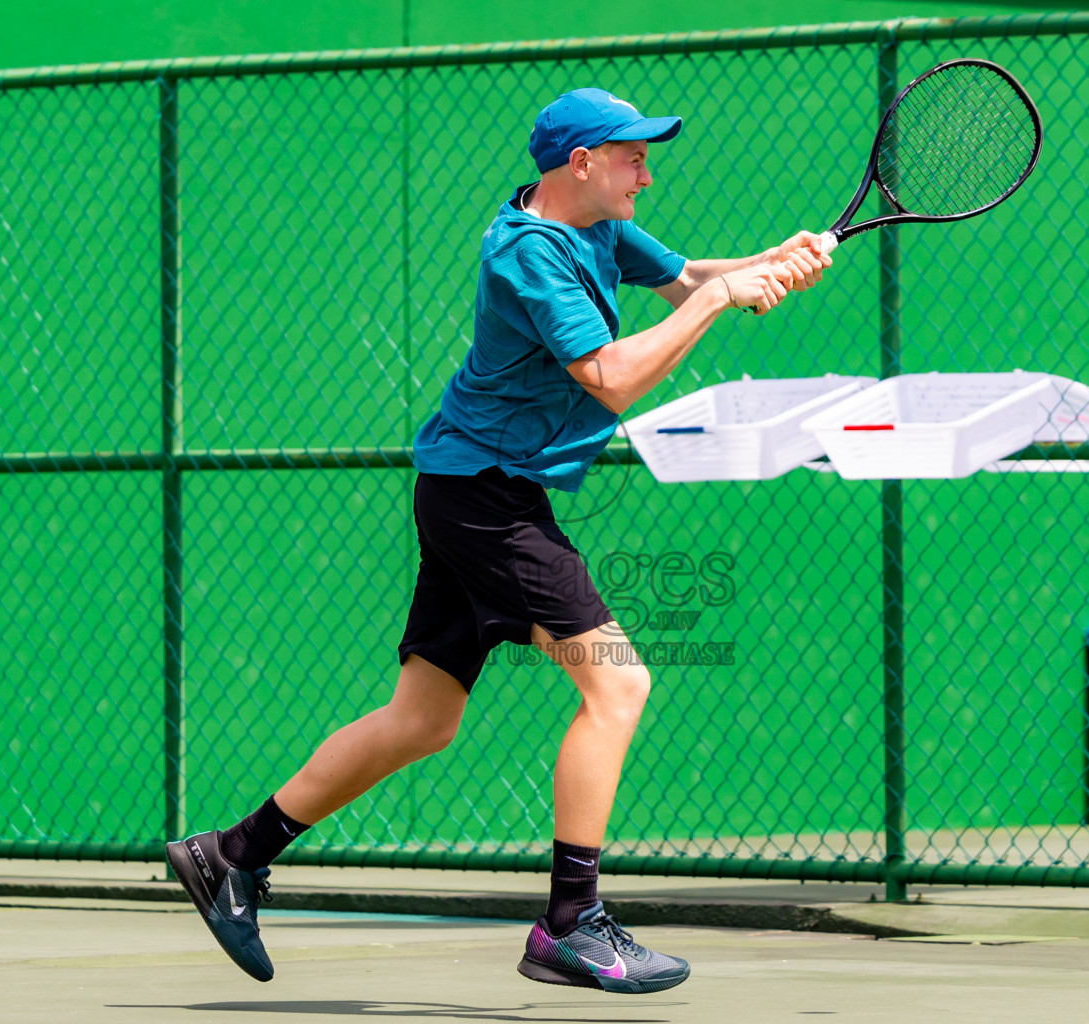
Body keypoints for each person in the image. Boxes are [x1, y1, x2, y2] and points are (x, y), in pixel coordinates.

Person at [167, 86, 830, 995]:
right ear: (579, 163)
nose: (648, 167)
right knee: (620, 681)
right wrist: (722, 300)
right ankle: (572, 922)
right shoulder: (527, 251)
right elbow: (610, 376)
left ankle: (231, 854)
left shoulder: (599, 222)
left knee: (423, 719)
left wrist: (773, 261)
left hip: (471, 488)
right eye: (633, 152)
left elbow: (685, 278)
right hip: (488, 501)